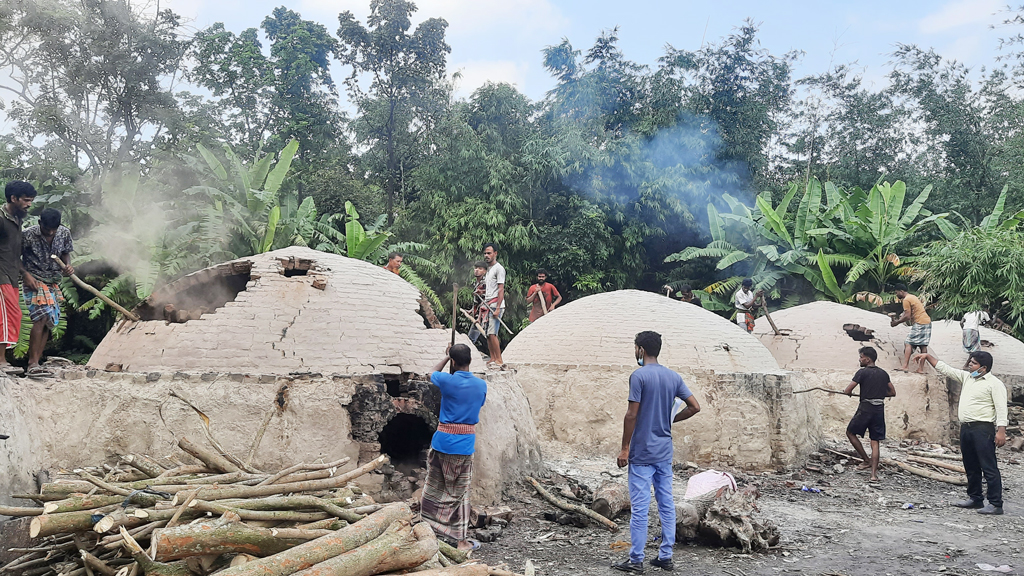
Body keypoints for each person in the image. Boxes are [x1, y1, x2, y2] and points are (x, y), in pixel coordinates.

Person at [612, 331, 701, 574]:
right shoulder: (673, 377)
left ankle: (636, 559)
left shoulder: (639, 376)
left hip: (642, 453)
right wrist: (670, 418)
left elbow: (631, 414)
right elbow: (695, 407)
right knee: (666, 503)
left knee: (640, 508)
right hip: (664, 452)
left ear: (640, 349)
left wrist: (624, 448)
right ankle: (665, 556)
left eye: (635, 348)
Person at [914, 350, 1007, 515]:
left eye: (974, 363)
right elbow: (947, 369)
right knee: (970, 464)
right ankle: (975, 498)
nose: (970, 365)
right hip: (967, 428)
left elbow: (1001, 408)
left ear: (983, 367)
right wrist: (928, 357)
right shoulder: (968, 377)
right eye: (971, 362)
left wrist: (1001, 431)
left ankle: (995, 503)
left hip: (983, 428)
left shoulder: (995, 384)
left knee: (988, 466)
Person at [421, 344, 488, 550]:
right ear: (470, 360)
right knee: (460, 493)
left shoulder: (447, 381)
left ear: (452, 361)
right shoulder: (481, 385)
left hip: (441, 442)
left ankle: (427, 529)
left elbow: (430, 373)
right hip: (464, 446)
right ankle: (461, 541)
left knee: (433, 487)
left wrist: (445, 357)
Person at [21, 208, 74, 377]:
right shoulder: (28, 235)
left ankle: (37, 361)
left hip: (53, 281)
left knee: (48, 320)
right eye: (47, 229)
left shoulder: (64, 233)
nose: (50, 232)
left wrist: (67, 266)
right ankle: (32, 363)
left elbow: (66, 252)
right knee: (40, 317)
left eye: (54, 229)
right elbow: (14, 257)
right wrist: (26, 275)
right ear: (39, 223)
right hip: (34, 280)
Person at [843, 346, 895, 482]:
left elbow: (848, 390)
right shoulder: (883, 373)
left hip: (866, 407)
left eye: (861, 357)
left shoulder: (862, 372)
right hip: (879, 409)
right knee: (875, 441)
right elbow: (892, 392)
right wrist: (878, 393)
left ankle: (866, 460)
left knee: (850, 433)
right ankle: (873, 475)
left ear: (867, 359)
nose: (860, 360)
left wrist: (848, 393)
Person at [0, 181, 35, 375]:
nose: (29, 204)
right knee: (5, 316)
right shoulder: (1, 218)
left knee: (14, 316)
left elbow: (14, 253)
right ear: (13, 198)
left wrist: (24, 273)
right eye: (26, 200)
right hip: (1, 274)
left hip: (11, 274)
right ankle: (1, 362)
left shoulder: (17, 219)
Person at [891, 284, 931, 372]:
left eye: (897, 292)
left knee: (908, 343)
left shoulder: (906, 300)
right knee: (923, 345)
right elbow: (908, 313)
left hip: (919, 322)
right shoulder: (912, 297)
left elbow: (907, 316)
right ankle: (920, 369)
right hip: (926, 321)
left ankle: (905, 366)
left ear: (901, 291)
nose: (896, 295)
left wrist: (897, 322)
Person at [481, 243, 505, 366]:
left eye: (489, 253)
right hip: (487, 303)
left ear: (495, 253)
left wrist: (497, 308)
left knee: (492, 333)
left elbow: (501, 289)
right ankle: (492, 358)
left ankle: (499, 359)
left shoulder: (499, 269)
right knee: (488, 334)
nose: (487, 255)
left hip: (496, 305)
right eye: (485, 253)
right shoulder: (488, 270)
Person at [467, 262, 488, 343]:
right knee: (471, 338)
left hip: (483, 315)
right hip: (478, 315)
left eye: (480, 269)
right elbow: (477, 301)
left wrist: (479, 318)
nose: (476, 270)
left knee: (471, 339)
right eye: (476, 268)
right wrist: (472, 310)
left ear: (485, 271)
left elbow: (485, 301)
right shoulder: (477, 283)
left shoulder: (485, 283)